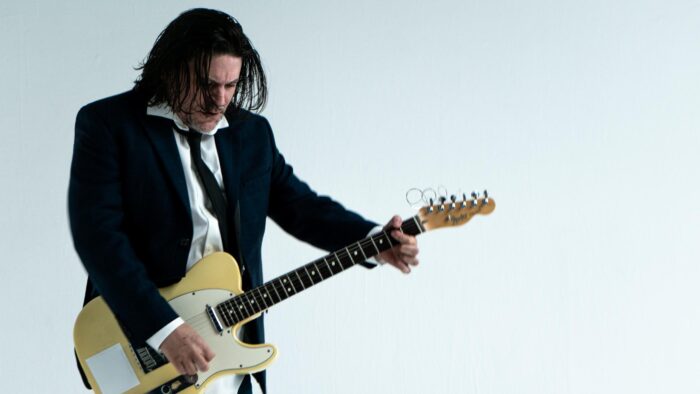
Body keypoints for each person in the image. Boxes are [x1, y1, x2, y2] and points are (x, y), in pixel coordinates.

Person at [69, 8, 419, 394]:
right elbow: (98, 238)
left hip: (229, 354)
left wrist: (373, 239)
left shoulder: (251, 135)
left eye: (230, 86)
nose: (219, 100)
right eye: (206, 85)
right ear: (170, 70)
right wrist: (163, 329)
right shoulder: (109, 125)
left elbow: (302, 207)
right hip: (138, 343)